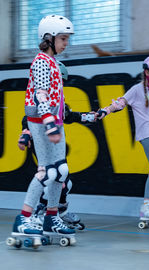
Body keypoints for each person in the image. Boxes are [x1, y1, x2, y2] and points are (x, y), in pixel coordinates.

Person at [96, 56, 149, 222]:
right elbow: (122, 102)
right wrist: (105, 110)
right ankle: (146, 207)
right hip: (146, 131)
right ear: (147, 72)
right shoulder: (137, 89)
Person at [12, 14, 76, 238]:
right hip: (40, 120)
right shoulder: (40, 61)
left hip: (54, 120)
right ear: (49, 38)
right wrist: (48, 120)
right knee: (47, 171)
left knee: (61, 170)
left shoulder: (53, 63)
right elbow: (40, 94)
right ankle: (24, 218)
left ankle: (51, 217)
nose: (66, 43)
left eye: (67, 39)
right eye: (63, 39)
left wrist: (56, 118)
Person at [18, 61, 95, 230]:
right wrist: (25, 134)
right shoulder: (42, 98)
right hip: (44, 143)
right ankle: (38, 213)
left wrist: (90, 117)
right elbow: (28, 118)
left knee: (65, 181)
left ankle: (56, 214)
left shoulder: (57, 102)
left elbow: (69, 116)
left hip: (56, 145)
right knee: (50, 176)